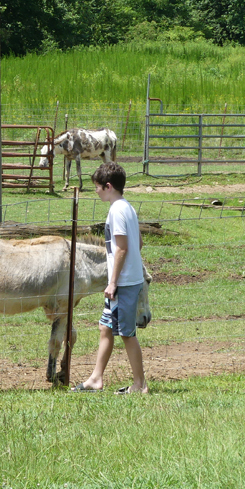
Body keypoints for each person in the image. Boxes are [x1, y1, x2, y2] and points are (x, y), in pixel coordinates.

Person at [72, 161, 148, 394]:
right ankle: (96, 379)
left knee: (127, 334)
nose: (95, 191)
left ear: (107, 186)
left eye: (97, 187)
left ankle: (140, 385)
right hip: (126, 280)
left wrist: (114, 282)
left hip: (122, 284)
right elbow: (139, 243)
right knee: (105, 327)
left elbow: (122, 248)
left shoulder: (116, 211)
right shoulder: (128, 207)